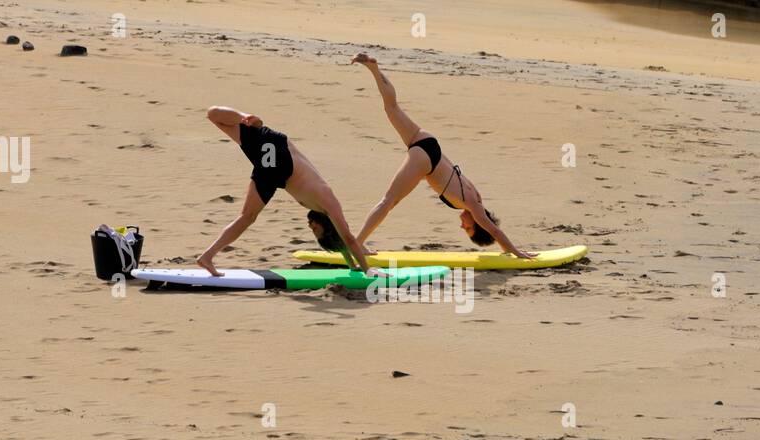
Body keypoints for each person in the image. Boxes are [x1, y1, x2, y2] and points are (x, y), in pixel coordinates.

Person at [350, 53, 535, 259]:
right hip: (426, 160)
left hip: (429, 143)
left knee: (391, 107)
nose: (462, 225)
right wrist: (515, 251)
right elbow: (495, 231)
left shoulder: (476, 195)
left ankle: (374, 70)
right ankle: (356, 244)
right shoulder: (474, 206)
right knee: (388, 202)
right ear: (477, 224)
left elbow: (490, 227)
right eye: (468, 229)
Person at [197, 106, 375, 275]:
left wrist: (353, 267)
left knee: (247, 217)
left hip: (273, 169)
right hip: (279, 154)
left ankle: (207, 257)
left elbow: (343, 240)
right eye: (316, 229)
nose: (310, 226)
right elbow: (348, 238)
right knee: (214, 114)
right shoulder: (329, 201)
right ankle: (248, 118)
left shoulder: (321, 207)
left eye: (312, 230)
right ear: (328, 227)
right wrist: (367, 270)